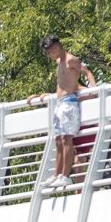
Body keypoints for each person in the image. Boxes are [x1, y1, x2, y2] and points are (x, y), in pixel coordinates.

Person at [31, 36, 99, 192]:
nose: (52, 53)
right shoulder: (59, 62)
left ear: (59, 45)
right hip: (60, 102)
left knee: (67, 139)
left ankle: (65, 175)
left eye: (53, 49)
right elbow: (61, 83)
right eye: (49, 52)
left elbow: (86, 71)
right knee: (59, 140)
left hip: (69, 102)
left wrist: (93, 89)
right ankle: (56, 174)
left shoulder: (71, 60)